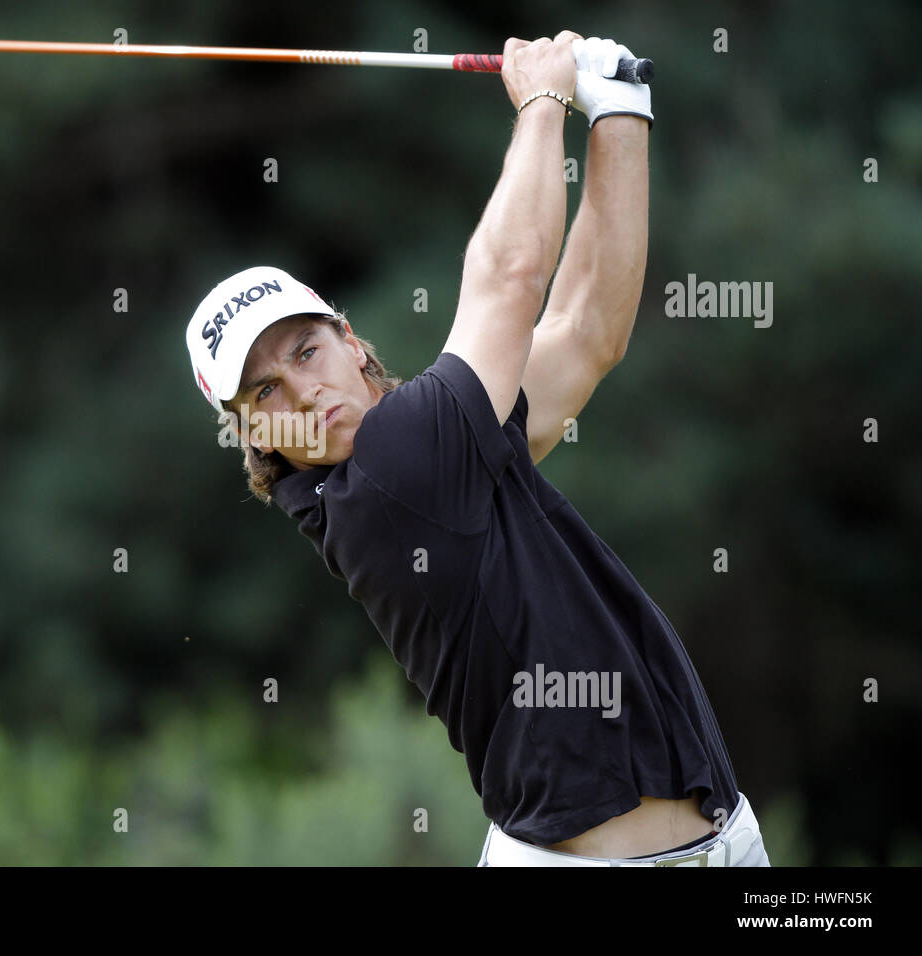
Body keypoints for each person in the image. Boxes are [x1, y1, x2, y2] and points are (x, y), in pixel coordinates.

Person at [184, 33, 769, 866]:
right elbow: (512, 274)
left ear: (351, 343)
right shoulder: (389, 475)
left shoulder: (444, 451)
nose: (303, 391)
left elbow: (586, 331)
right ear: (253, 436)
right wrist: (542, 102)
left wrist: (619, 113)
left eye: (304, 351)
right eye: (264, 391)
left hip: (726, 842)